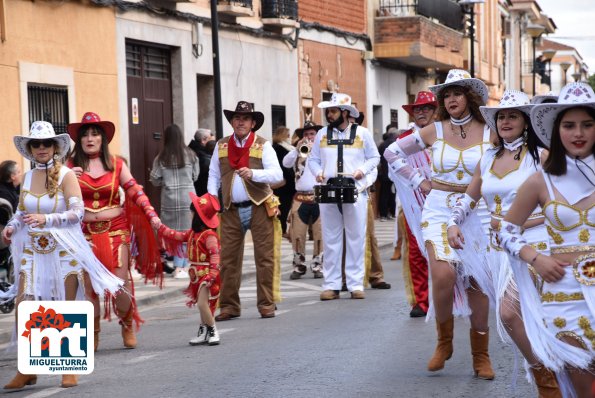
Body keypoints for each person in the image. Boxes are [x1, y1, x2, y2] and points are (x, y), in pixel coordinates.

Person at [447, 89, 563, 395]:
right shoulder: (487, 158)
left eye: (513, 116)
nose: (506, 121)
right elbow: (470, 197)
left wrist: (529, 222)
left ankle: (547, 377)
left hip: (536, 244)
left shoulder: (542, 156)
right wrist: (452, 223)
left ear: (526, 122)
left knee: (510, 314)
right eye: (502, 117)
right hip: (499, 250)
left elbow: (565, 202)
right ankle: (548, 373)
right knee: (530, 318)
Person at [384, 70, 495, 378]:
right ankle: (444, 342)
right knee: (443, 274)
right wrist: (418, 180)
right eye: (446, 95)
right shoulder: (435, 130)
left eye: (456, 93)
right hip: (439, 209)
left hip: (478, 212)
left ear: (470, 97)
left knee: (477, 284)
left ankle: (480, 355)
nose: (451, 99)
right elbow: (392, 152)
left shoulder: (490, 132)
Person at [2, 121, 123, 390]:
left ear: (56, 147)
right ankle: (27, 368)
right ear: (30, 149)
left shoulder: (67, 175)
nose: (42, 148)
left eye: (46, 143)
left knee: (65, 306)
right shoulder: (28, 178)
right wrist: (12, 226)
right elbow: (23, 212)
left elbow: (77, 213)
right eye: (36, 144)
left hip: (63, 250)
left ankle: (68, 368)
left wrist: (47, 218)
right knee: (26, 306)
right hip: (34, 251)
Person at [499, 82, 595, 397]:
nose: (578, 132)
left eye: (587, 124)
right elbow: (506, 230)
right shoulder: (540, 180)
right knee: (583, 387)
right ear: (557, 130)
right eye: (569, 125)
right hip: (564, 297)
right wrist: (535, 258)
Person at [67, 112, 162, 350]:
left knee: (119, 282)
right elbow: (53, 197)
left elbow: (134, 190)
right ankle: (93, 334)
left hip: (116, 230)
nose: (90, 138)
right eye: (85, 134)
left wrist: (151, 214)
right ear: (79, 140)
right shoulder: (69, 166)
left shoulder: (117, 164)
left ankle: (127, 324)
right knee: (88, 287)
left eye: (95, 134)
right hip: (83, 233)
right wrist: (64, 179)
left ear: (102, 138)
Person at [208, 101, 283, 320]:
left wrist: (255, 174)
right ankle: (229, 306)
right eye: (237, 118)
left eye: (245, 118)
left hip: (260, 206)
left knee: (265, 258)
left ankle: (266, 303)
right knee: (227, 259)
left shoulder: (263, 145)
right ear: (232, 121)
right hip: (230, 208)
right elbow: (213, 175)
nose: (241, 122)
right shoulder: (221, 145)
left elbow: (278, 175)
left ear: (253, 123)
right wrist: (212, 198)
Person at [309, 93, 380, 300]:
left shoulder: (363, 133)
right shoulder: (322, 134)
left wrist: (361, 170)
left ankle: (355, 284)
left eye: (332, 111)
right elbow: (313, 160)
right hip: (329, 189)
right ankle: (331, 285)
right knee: (330, 238)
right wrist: (317, 173)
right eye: (327, 111)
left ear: (345, 112)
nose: (328, 115)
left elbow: (375, 157)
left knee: (356, 237)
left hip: (355, 189)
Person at [393, 91, 438, 317]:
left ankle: (458, 295)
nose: (421, 112)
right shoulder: (404, 140)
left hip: (445, 202)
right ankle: (421, 301)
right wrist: (418, 181)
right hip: (415, 202)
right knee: (416, 252)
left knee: (453, 251)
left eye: (426, 108)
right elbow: (395, 167)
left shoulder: (446, 135)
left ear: (435, 111)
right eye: (417, 109)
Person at [159, 193, 222, 346]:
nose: (190, 214)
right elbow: (176, 236)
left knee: (202, 304)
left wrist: (212, 275)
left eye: (192, 212)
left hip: (207, 275)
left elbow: (215, 255)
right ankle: (204, 330)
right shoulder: (192, 233)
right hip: (196, 276)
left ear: (198, 216)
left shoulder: (209, 236)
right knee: (202, 305)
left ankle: (213, 330)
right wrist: (159, 227)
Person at [150, 124, 199, 279]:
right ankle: (182, 266)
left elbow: (155, 179)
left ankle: (178, 267)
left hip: (170, 199)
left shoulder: (161, 157)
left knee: (174, 234)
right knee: (187, 233)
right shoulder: (191, 155)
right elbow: (195, 176)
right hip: (188, 198)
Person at [282, 121, 324, 280]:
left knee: (320, 235)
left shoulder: (323, 150)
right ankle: (299, 266)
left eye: (312, 134)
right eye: (306, 134)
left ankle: (318, 265)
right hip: (300, 196)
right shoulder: (298, 151)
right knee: (297, 234)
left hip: (319, 195)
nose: (309, 137)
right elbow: (285, 163)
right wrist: (296, 149)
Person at [272, 126, 296, 236]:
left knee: (286, 207)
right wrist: (289, 177)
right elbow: (283, 165)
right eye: (287, 134)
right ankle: (281, 229)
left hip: (288, 182)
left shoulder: (288, 147)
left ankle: (282, 228)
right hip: (283, 183)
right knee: (283, 207)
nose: (289, 136)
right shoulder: (278, 148)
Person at [188, 128, 215, 195]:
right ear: (203, 140)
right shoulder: (201, 155)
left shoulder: (192, 149)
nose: (212, 141)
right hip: (201, 192)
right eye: (210, 139)